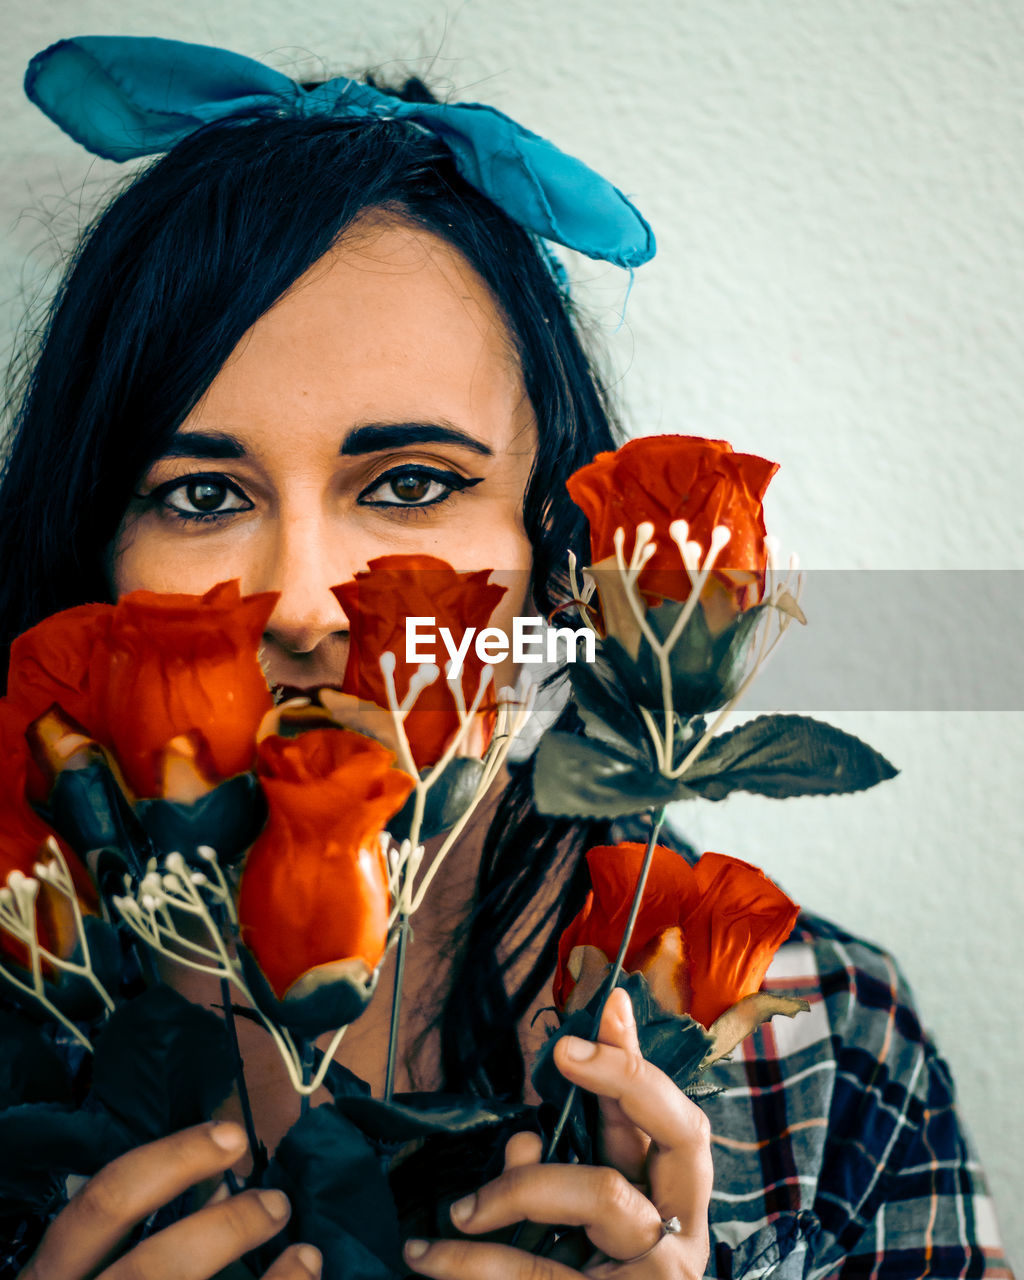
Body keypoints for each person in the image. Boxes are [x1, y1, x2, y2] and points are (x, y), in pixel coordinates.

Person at [0, 36, 1012, 1280]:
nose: (302, 602)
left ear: (558, 555)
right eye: (202, 493)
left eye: (413, 483)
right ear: (94, 560)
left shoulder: (825, 1044)